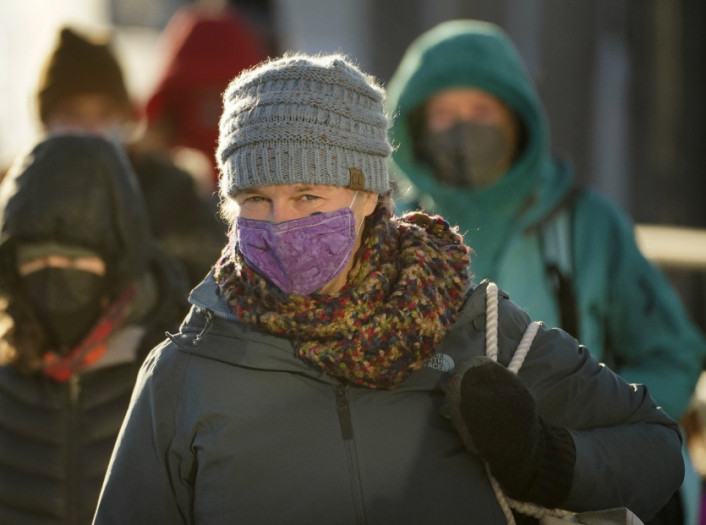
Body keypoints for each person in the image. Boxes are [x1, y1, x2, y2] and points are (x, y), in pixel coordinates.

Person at [92, 52, 683, 524]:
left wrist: (541, 461)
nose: (279, 224)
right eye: (255, 200)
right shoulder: (187, 369)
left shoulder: (478, 328)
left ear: (369, 195)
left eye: (308, 197)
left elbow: (654, 450)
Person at [384, 19, 706, 524]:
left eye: (481, 110)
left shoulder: (586, 224)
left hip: (577, 486)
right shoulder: (392, 234)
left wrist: (597, 431)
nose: (463, 128)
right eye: (444, 113)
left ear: (517, 118)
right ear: (414, 125)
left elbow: (672, 354)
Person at [0, 135, 191, 523]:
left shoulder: (180, 376)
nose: (54, 270)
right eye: (35, 256)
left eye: (75, 255)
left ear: (119, 260)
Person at [37, 25, 227, 285]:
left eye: (104, 113)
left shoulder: (170, 188)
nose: (90, 128)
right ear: (46, 120)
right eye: (73, 113)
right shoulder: (24, 194)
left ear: (126, 117)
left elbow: (208, 273)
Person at [141, 1, 270, 195]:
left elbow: (155, 116)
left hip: (185, 189)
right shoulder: (237, 40)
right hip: (242, 183)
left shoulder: (190, 33)